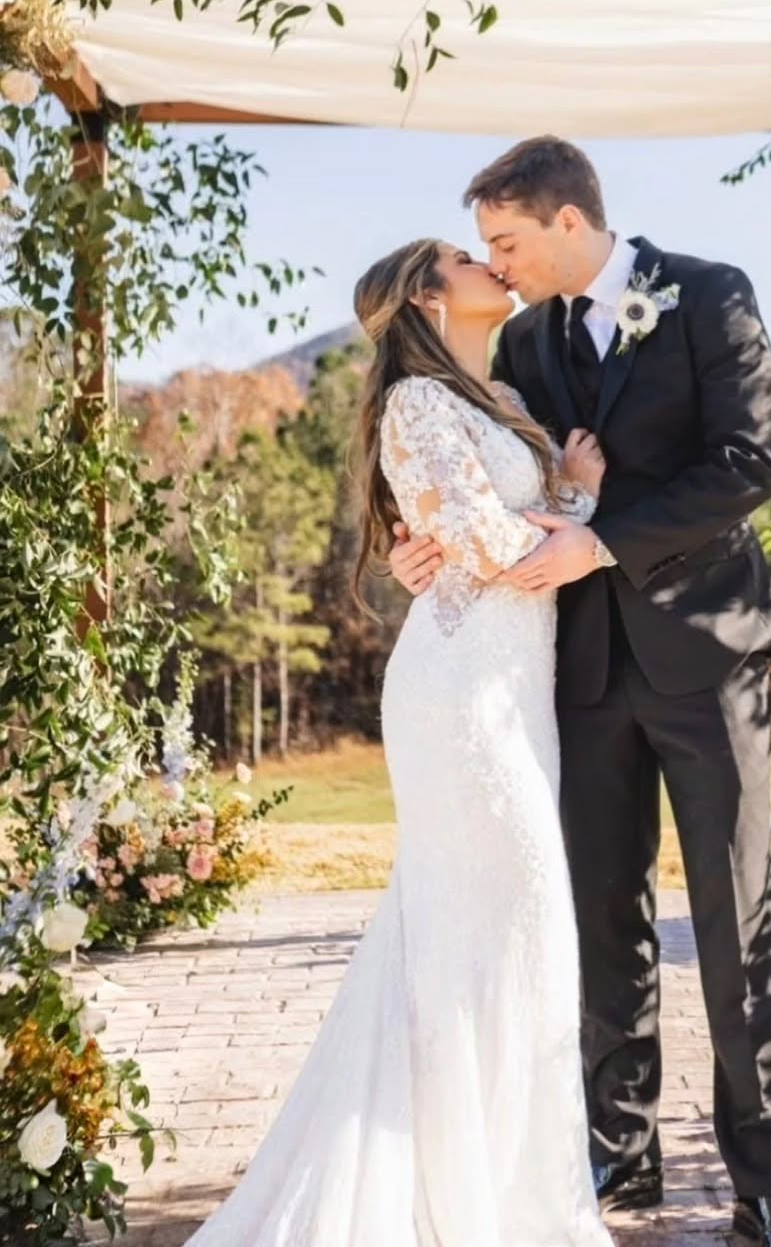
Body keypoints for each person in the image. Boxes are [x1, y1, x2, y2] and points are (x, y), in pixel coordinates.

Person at [389, 137, 771, 1247]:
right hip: (571, 672)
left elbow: (746, 466)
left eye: (508, 242)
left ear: (569, 223)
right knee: (599, 923)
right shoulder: (523, 338)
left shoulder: (709, 294)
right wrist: (424, 548)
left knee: (734, 921)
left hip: (700, 654)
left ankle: (766, 1187)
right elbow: (489, 481)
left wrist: (599, 547)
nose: (499, 262)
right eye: (483, 248)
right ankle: (616, 1156)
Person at [182, 238, 615, 1247]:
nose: (492, 263)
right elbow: (487, 546)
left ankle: (487, 1183)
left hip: (516, 694)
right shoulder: (418, 404)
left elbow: (484, 534)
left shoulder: (493, 399)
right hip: (460, 696)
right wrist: (580, 508)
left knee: (501, 936)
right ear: (429, 292)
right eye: (471, 255)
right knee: (504, 925)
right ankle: (460, 1202)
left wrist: (545, 503)